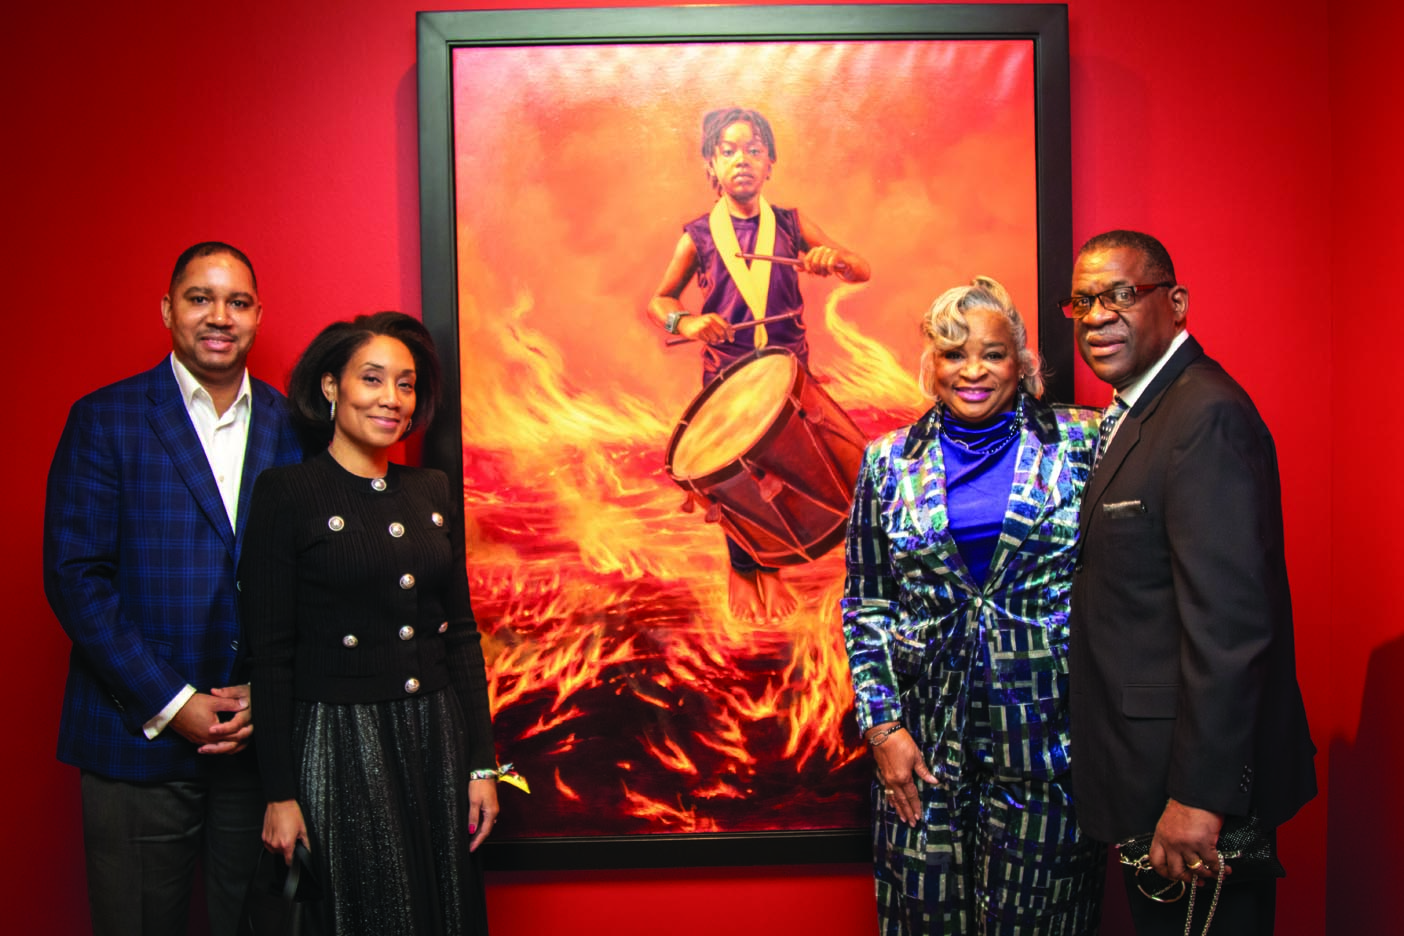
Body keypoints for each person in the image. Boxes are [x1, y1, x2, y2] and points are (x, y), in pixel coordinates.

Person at [43, 242, 304, 936]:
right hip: (135, 738)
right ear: (167, 310)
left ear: (257, 316)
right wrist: (173, 700)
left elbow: (316, 580)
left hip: (258, 749)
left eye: (237, 302)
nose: (219, 316)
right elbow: (75, 577)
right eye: (200, 298)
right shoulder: (105, 418)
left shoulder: (294, 426)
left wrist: (268, 693)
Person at [1065, 230, 1317, 935]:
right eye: (1083, 301)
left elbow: (1231, 629)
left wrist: (1200, 799)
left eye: (1121, 294)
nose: (1097, 316)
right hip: (1145, 775)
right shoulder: (1140, 412)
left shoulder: (1205, 414)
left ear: (1175, 303)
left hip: (1192, 795)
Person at [842, 277, 1105, 935]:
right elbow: (867, 603)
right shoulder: (888, 463)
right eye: (954, 354)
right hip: (924, 750)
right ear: (931, 363)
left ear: (1021, 360)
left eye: (992, 353)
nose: (973, 371)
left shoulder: (1083, 442)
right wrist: (883, 727)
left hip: (1052, 748)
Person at [238, 311, 498, 935]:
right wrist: (279, 793)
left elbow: (461, 635)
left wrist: (481, 765)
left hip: (435, 734)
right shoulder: (287, 492)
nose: (391, 398)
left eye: (405, 384)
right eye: (373, 379)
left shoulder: (430, 489)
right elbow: (268, 655)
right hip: (340, 740)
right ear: (331, 386)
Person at [649, 105, 871, 622]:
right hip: (728, 380)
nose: (742, 160)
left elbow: (861, 269)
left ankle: (776, 565)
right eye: (728, 151)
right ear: (711, 164)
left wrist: (833, 260)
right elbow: (659, 301)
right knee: (739, 477)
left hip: (787, 373)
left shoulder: (791, 224)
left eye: (753, 150)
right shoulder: (699, 235)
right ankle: (745, 568)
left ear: (770, 162)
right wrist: (686, 323)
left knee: (794, 464)